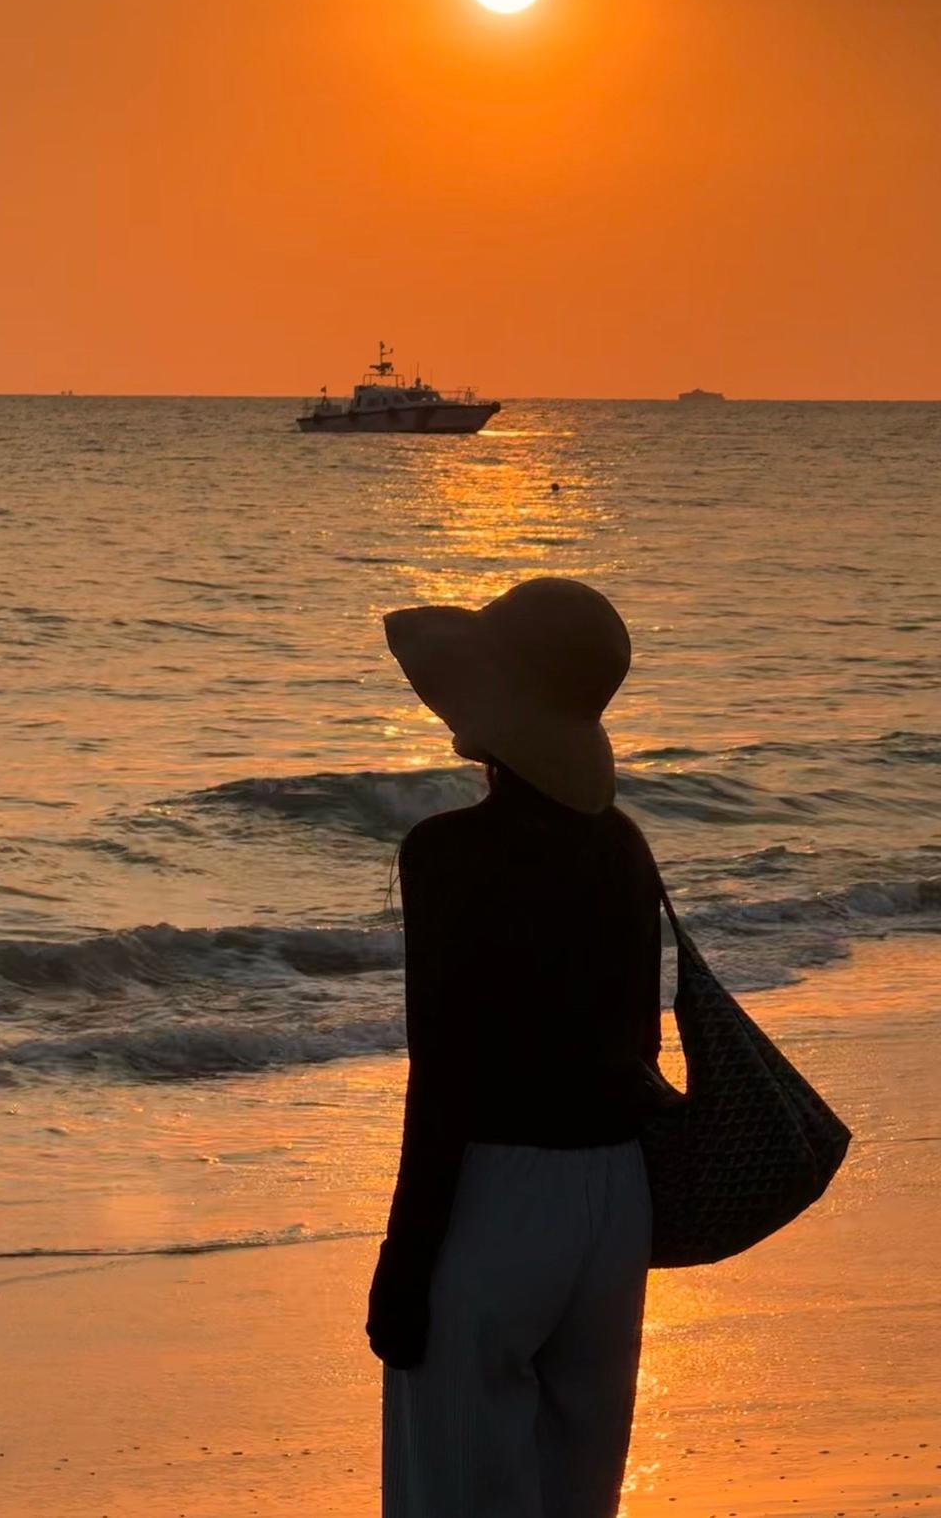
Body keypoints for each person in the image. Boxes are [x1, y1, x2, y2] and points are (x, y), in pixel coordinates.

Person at [367, 575, 665, 1518]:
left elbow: (445, 1072)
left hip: (494, 1198)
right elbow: (640, 1042)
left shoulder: (445, 852)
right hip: (617, 1201)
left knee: (451, 1490)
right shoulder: (622, 845)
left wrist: (404, 1260)